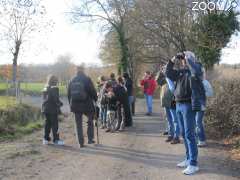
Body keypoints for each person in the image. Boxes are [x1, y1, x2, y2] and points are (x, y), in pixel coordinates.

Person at [166, 51, 205, 175]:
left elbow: (196, 71)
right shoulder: (181, 72)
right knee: (183, 133)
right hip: (178, 104)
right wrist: (173, 60)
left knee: (189, 134)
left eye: (185, 58)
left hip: (189, 105)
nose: (183, 60)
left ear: (191, 59)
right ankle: (188, 159)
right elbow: (168, 73)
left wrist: (189, 58)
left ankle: (194, 164)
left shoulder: (196, 69)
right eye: (183, 59)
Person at [68, 66, 97, 148]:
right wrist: (95, 98)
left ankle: (80, 143)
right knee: (90, 121)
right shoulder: (87, 79)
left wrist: (71, 105)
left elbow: (69, 94)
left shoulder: (72, 80)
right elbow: (92, 90)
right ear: (83, 70)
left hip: (75, 105)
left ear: (76, 70)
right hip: (87, 104)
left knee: (78, 124)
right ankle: (90, 139)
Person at [157, 71, 180, 144]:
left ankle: (176, 137)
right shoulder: (164, 78)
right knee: (169, 119)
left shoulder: (176, 77)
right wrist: (162, 72)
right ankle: (171, 134)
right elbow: (157, 81)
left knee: (175, 120)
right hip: (166, 102)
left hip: (173, 102)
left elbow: (175, 89)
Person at [42, 75, 64, 146]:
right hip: (53, 110)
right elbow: (56, 99)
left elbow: (44, 98)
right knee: (55, 125)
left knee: (47, 124)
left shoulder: (45, 88)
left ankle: (45, 139)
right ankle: (56, 140)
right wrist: (60, 104)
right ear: (55, 81)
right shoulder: (55, 88)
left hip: (45, 109)